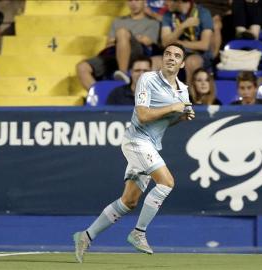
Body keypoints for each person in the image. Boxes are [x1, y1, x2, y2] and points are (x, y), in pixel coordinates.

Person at [73, 43, 195, 263]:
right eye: (167, 54)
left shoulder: (182, 90)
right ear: (162, 59)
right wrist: (173, 108)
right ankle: (139, 233)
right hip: (136, 141)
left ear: (182, 63)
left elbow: (166, 122)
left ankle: (85, 235)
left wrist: (181, 117)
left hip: (151, 144)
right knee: (167, 182)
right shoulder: (147, 79)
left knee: (128, 201)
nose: (171, 58)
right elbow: (143, 115)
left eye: (176, 56)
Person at [76, 0, 160, 90]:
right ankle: (98, 95)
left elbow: (147, 41)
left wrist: (123, 37)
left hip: (138, 53)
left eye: (137, 0)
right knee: (82, 67)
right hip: (115, 53)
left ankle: (122, 73)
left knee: (122, 32)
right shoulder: (118, 21)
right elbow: (109, 43)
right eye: (130, 1)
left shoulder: (152, 23)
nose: (133, 4)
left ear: (144, 2)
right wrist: (130, 38)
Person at [161, 0, 213, 84]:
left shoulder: (203, 13)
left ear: (179, 1)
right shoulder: (168, 15)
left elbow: (204, 45)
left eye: (168, 0)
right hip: (174, 53)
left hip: (199, 55)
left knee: (191, 61)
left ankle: (190, 96)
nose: (164, 3)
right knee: (154, 62)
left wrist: (179, 43)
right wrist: (183, 26)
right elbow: (165, 43)